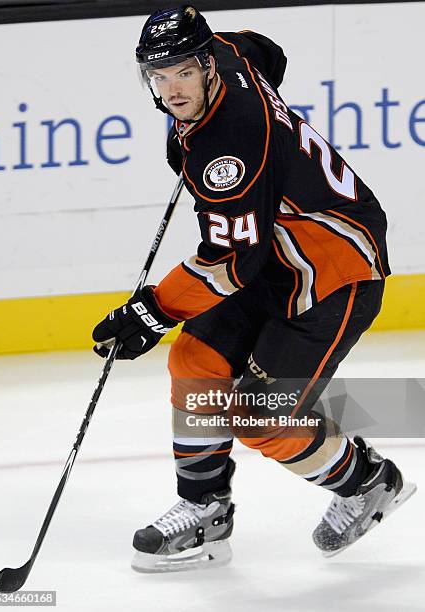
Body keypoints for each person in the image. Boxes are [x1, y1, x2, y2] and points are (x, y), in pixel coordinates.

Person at [92, 5, 416, 572]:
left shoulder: (230, 144)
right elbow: (270, 52)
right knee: (195, 362)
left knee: (261, 419)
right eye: (159, 74)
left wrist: (152, 311)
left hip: (331, 273)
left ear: (208, 67)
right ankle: (204, 513)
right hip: (274, 256)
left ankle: (370, 483)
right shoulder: (228, 50)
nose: (171, 89)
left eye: (183, 73)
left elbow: (231, 263)